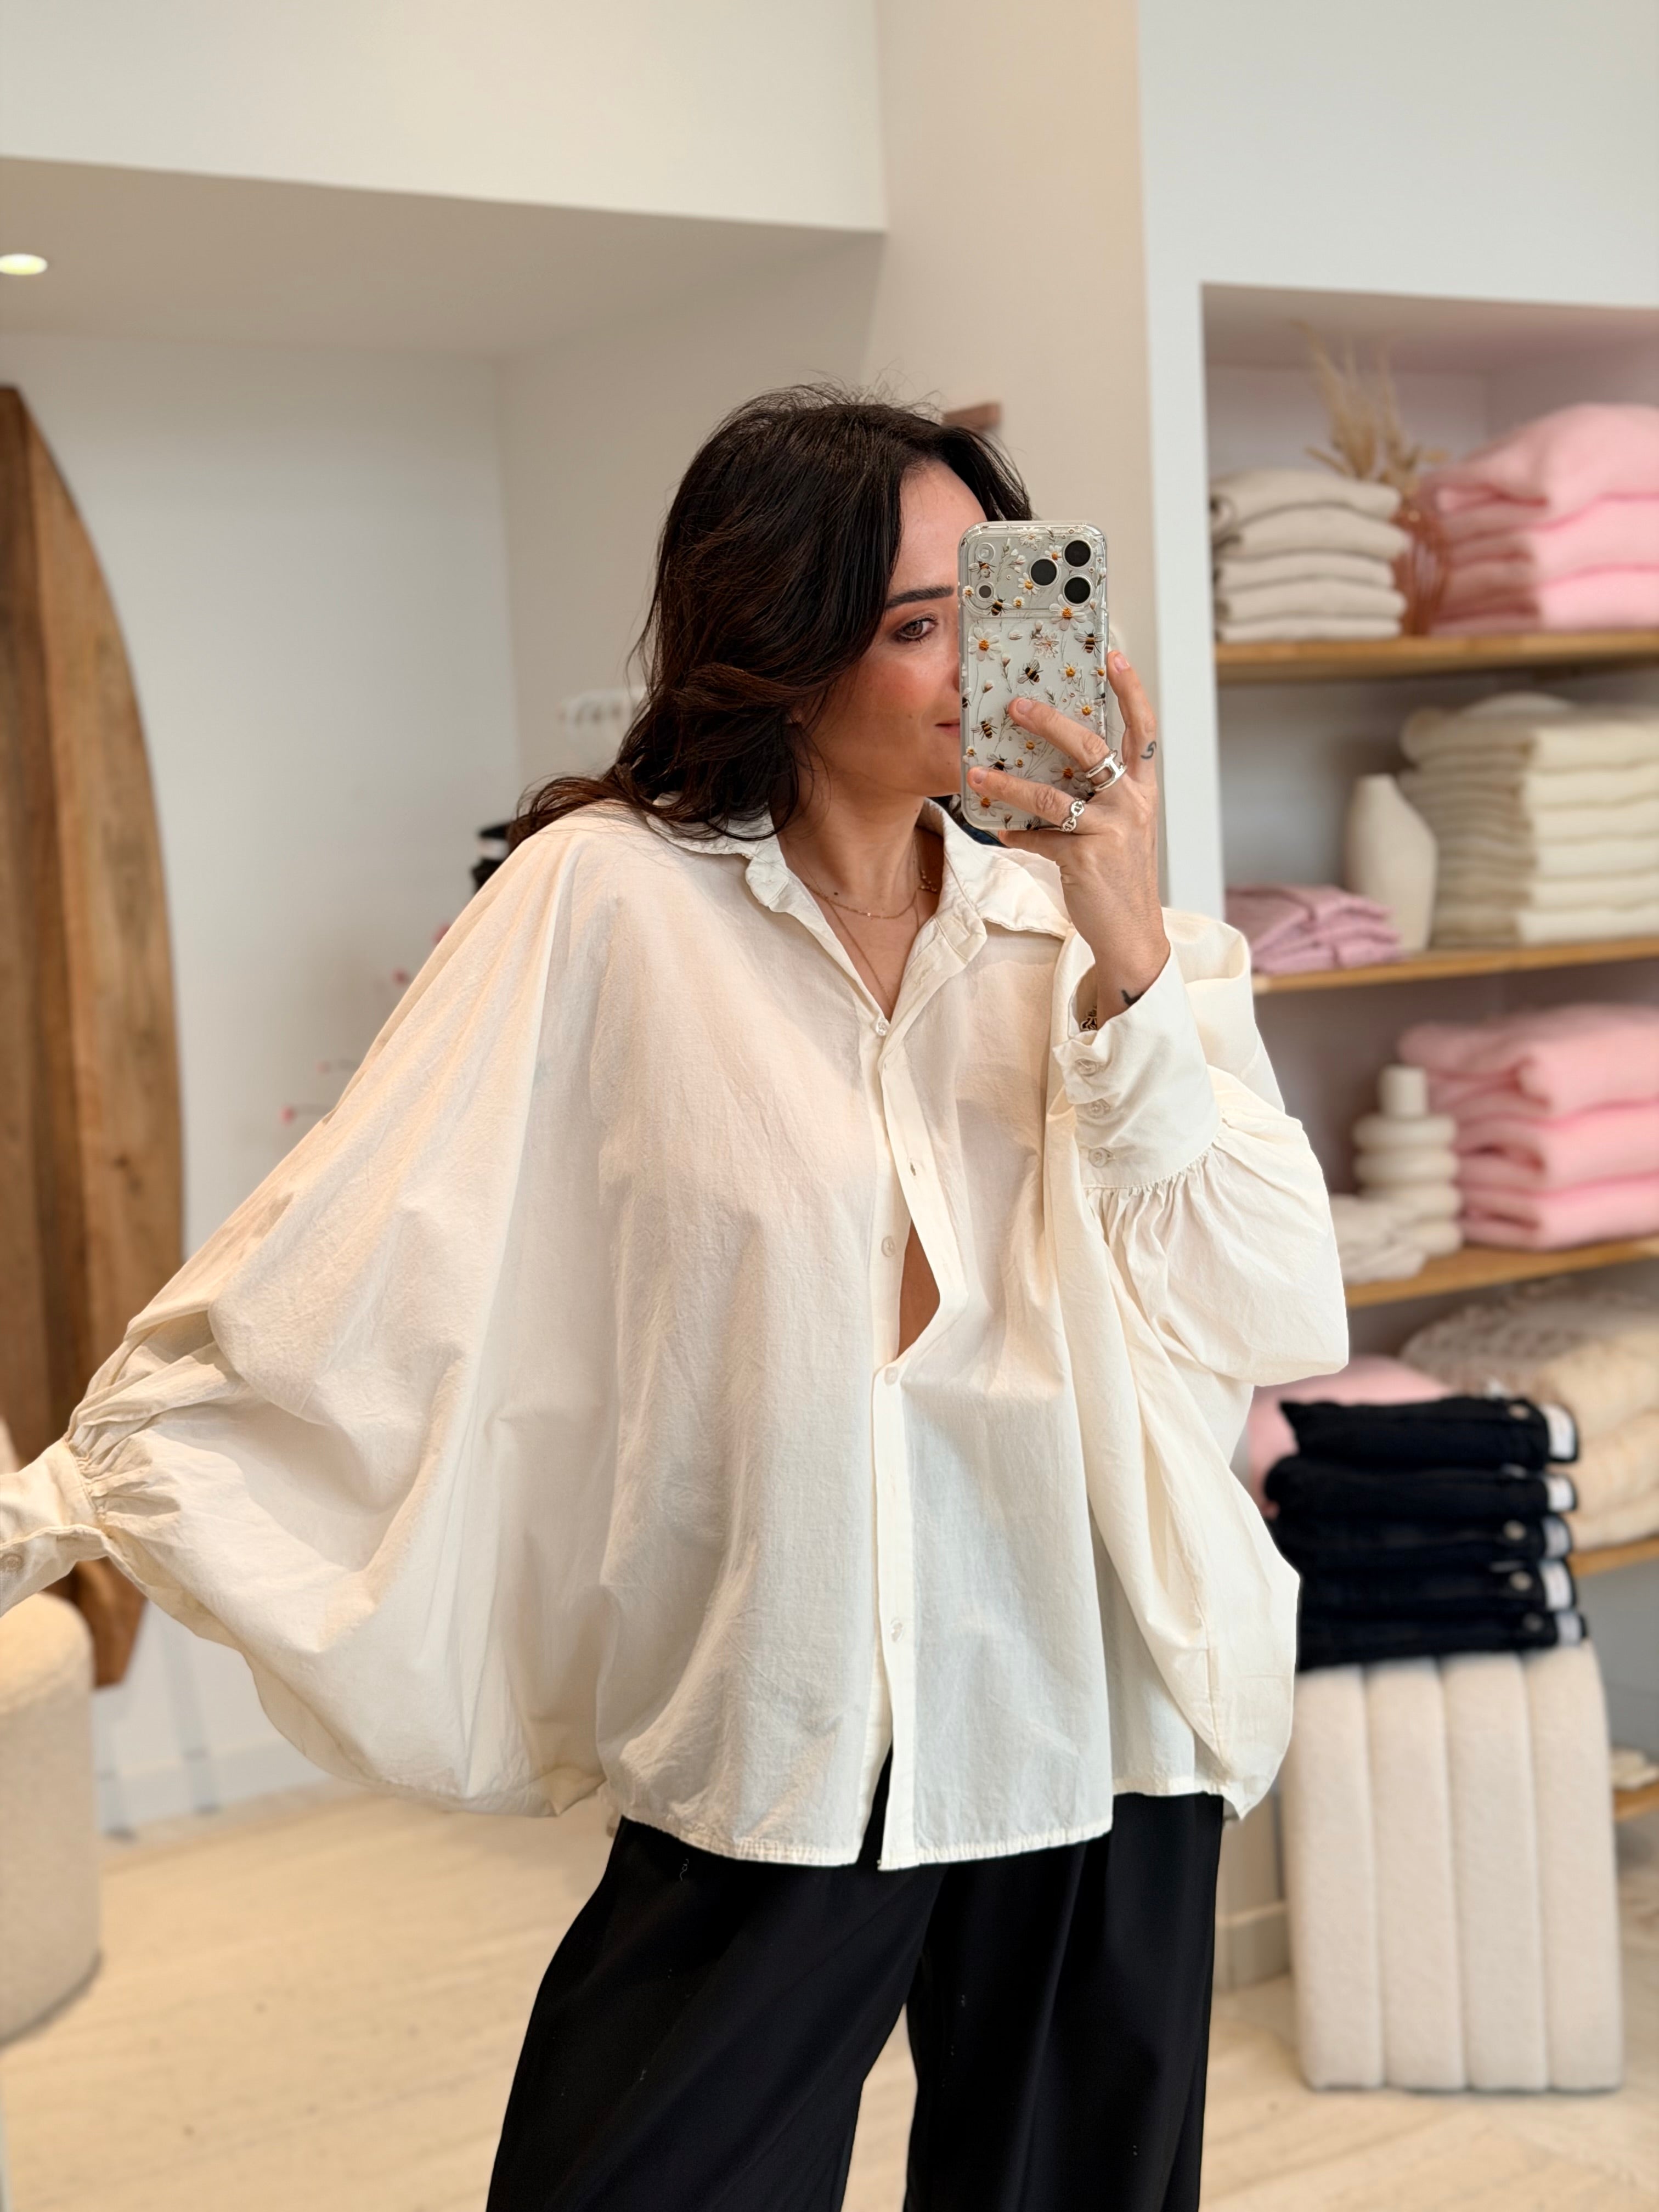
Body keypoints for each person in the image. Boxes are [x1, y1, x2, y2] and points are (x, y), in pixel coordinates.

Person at [0, 388, 1346, 2210]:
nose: (977, 665)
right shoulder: (607, 900)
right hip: (790, 1699)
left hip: (1092, 1678)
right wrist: (69, 1497)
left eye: (993, 602)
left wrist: (1127, 947)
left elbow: (1268, 1292)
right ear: (783, 651)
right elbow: (370, 1221)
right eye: (917, 623)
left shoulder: (1080, 932)